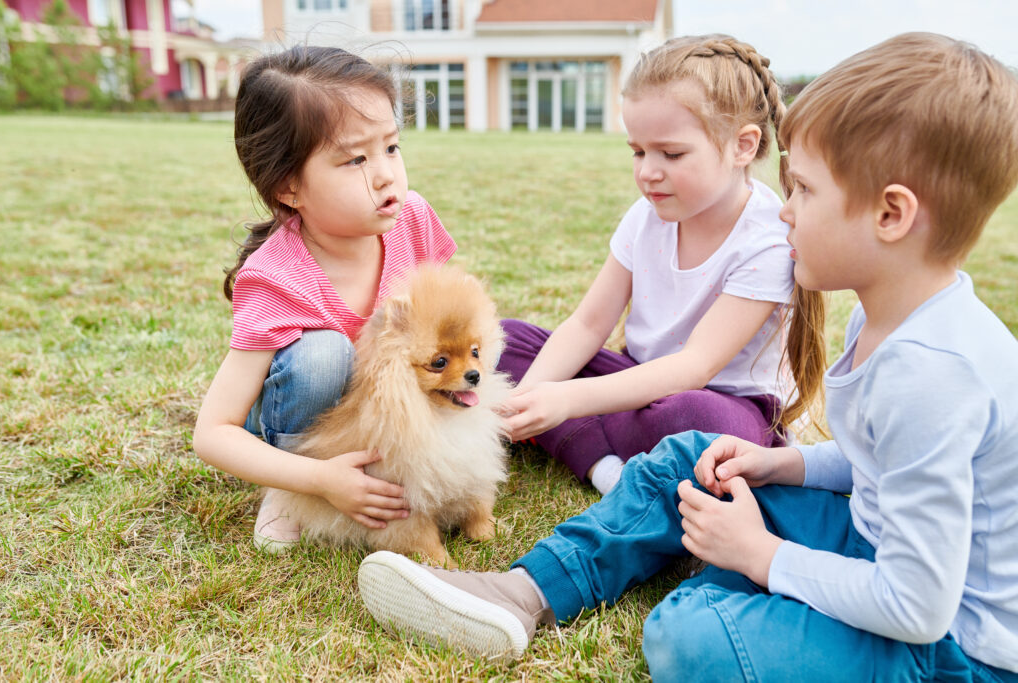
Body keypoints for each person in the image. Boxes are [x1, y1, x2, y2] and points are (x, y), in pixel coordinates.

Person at [356, 33, 1018, 681]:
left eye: (806, 191)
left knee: (687, 636)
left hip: (952, 645)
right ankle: (522, 592)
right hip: (870, 544)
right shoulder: (888, 317)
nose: (785, 213)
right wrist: (785, 462)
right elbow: (879, 462)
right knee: (687, 459)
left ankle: (712, 560)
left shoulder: (932, 372)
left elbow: (919, 605)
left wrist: (764, 556)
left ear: (891, 214)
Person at [496, 35, 826, 494]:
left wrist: (567, 398)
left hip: (724, 409)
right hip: (634, 385)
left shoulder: (767, 241)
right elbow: (589, 325)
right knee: (504, 342)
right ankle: (606, 466)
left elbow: (695, 367)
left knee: (692, 419)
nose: (648, 171)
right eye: (638, 151)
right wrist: (526, 399)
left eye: (670, 154)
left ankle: (588, 446)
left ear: (743, 146)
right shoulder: (645, 215)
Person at [192, 46, 456, 553]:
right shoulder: (276, 277)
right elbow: (212, 432)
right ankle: (288, 488)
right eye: (356, 159)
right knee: (324, 354)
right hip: (301, 420)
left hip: (367, 413)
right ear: (290, 187)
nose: (385, 175)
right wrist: (319, 479)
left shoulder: (413, 219)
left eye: (392, 148)